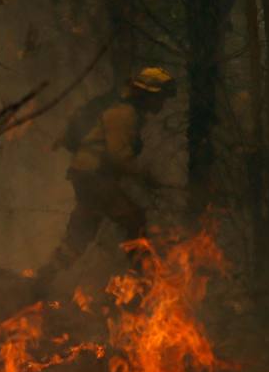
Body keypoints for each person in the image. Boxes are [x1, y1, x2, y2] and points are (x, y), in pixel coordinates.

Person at [35, 66, 176, 289]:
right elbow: (118, 155)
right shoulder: (123, 114)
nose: (162, 104)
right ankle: (143, 283)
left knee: (80, 234)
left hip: (87, 176)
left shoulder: (124, 111)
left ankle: (41, 280)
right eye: (160, 98)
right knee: (134, 219)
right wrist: (145, 175)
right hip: (94, 177)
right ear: (148, 95)